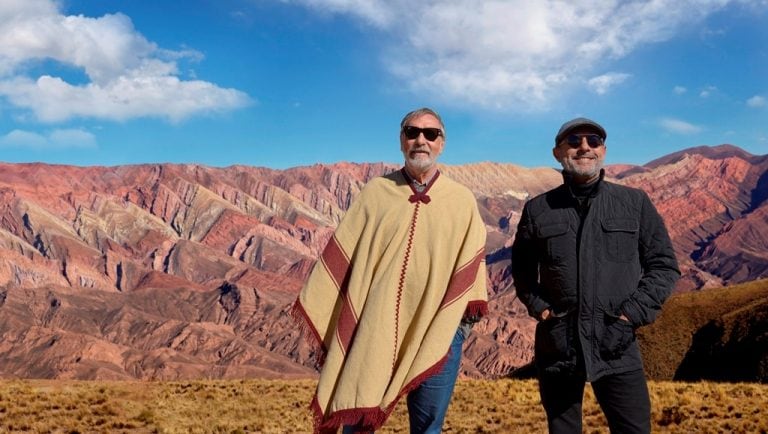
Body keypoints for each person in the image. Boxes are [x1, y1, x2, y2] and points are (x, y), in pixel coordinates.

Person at [293, 107, 488, 433]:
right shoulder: (376, 193)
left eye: (430, 134)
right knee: (356, 419)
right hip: (373, 331)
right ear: (401, 141)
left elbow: (472, 275)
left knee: (428, 428)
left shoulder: (461, 201)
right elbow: (344, 258)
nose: (420, 140)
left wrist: (455, 332)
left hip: (437, 335)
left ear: (442, 143)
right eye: (412, 132)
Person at [511, 117, 680, 433]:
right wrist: (542, 310)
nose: (584, 147)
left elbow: (664, 266)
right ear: (557, 152)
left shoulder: (633, 203)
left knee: (633, 428)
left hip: (616, 344)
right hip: (559, 346)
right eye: (574, 141)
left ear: (603, 151)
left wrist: (630, 315)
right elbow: (521, 270)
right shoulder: (538, 209)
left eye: (593, 141)